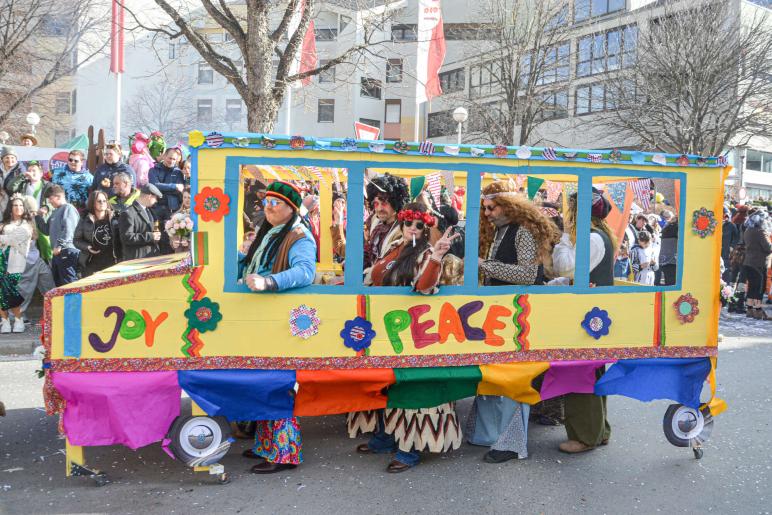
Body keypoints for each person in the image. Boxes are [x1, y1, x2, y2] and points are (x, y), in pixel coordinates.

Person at [352, 202, 461, 473]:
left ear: (426, 229)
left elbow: (424, 288)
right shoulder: (394, 248)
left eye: (419, 225)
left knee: (410, 389)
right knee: (384, 385)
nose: (412, 228)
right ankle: (386, 436)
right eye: (408, 223)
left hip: (411, 332)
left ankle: (408, 448)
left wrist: (436, 256)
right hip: (383, 329)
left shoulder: (425, 254)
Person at [468, 180, 559, 464]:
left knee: (513, 379)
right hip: (499, 313)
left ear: (509, 206)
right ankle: (488, 433)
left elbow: (529, 276)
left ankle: (510, 443)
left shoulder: (523, 232)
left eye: (492, 207)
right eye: (485, 208)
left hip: (518, 316)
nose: (487, 213)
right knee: (494, 374)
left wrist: (484, 265)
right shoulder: (501, 231)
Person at [240, 181, 316, 474]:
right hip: (262, 318)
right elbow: (253, 265)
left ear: (292, 209)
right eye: (267, 203)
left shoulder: (299, 236)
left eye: (276, 203)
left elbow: (305, 272)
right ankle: (266, 444)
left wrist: (269, 282)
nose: (269, 208)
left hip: (279, 320)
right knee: (263, 383)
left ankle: (285, 453)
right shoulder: (270, 233)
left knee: (278, 385)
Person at [551, 188, 614, 454]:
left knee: (581, 373)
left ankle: (586, 435)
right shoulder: (597, 236)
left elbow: (565, 265)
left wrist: (564, 236)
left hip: (586, 314)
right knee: (591, 372)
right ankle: (598, 430)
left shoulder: (591, 238)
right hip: (590, 311)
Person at [16, 196, 55, 325]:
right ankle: (18, 316)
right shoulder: (17, 224)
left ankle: (55, 310)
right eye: (31, 212)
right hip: (25, 262)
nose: (33, 214)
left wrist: (44, 210)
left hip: (37, 259)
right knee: (25, 290)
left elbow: (45, 230)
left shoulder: (33, 220)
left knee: (48, 283)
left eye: (34, 211)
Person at [0, 194, 35, 333]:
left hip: (17, 263)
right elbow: (9, 239)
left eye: (21, 205)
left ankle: (19, 320)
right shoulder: (5, 224)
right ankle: (5, 321)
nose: (18, 208)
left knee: (11, 292)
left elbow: (15, 239)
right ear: (10, 208)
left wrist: (3, 238)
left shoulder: (27, 225)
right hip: (1, 260)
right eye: (15, 205)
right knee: (1, 292)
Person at [362, 174, 410, 268]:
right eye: (376, 203)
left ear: (396, 203)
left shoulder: (404, 230)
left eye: (384, 203)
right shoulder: (373, 221)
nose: (379, 209)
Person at [37, 185, 80, 286]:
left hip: (66, 251)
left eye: (51, 199)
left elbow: (68, 229)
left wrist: (60, 245)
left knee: (69, 283)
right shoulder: (55, 212)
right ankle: (64, 302)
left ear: (58, 196)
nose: (49, 202)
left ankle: (75, 303)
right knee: (59, 283)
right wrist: (38, 217)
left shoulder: (68, 208)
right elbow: (46, 230)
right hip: (57, 253)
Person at [74, 190, 117, 277]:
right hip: (92, 263)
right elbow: (76, 240)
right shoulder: (85, 220)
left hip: (112, 262)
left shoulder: (115, 217)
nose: (102, 203)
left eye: (104, 201)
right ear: (93, 203)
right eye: (99, 201)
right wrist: (87, 247)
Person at [118, 184, 163, 261]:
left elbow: (155, 227)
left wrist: (156, 234)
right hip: (137, 259)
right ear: (149, 196)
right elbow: (126, 237)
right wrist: (151, 236)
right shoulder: (128, 213)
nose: (156, 201)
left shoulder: (150, 211)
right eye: (155, 198)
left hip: (151, 257)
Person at [742, 210, 772, 320]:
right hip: (759, 264)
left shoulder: (748, 231)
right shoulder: (761, 232)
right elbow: (768, 248)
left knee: (752, 287)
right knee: (759, 288)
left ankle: (749, 309)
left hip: (748, 262)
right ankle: (758, 311)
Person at [148, 147, 184, 222]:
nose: (171, 161)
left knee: (171, 233)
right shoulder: (153, 170)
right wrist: (174, 186)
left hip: (172, 209)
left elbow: (179, 191)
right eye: (170, 158)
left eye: (174, 159)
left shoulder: (178, 173)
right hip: (156, 207)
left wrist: (161, 187)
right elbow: (154, 186)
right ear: (164, 156)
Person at [659, 216, 679, 286]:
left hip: (664, 260)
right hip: (673, 260)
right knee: (672, 284)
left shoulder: (666, 228)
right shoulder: (677, 228)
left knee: (668, 283)